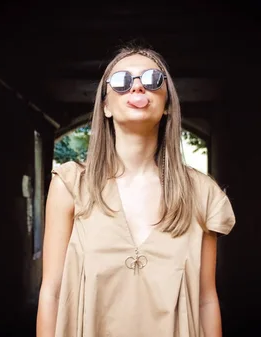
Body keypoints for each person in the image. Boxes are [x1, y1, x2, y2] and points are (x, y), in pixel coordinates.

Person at [36, 45, 236, 337]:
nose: (138, 86)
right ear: (105, 105)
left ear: (167, 103)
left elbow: (206, 299)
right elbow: (51, 291)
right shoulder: (70, 185)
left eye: (153, 79)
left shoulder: (201, 193)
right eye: (121, 81)